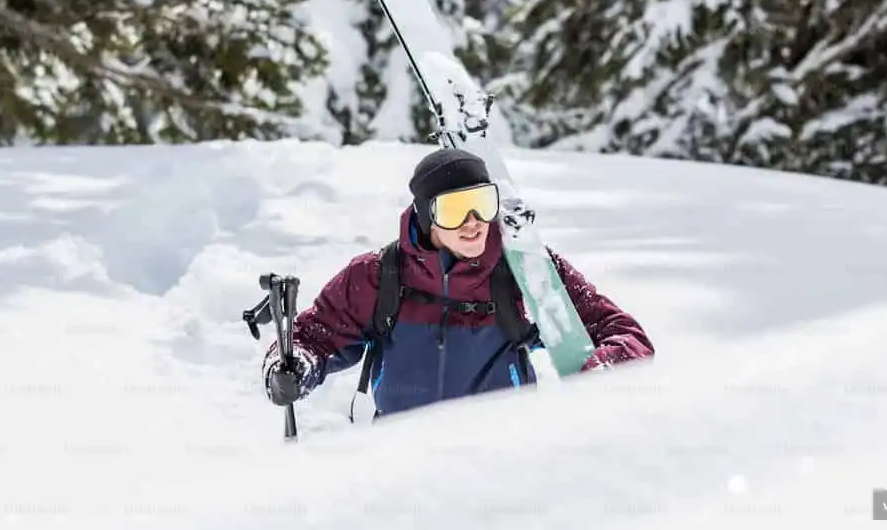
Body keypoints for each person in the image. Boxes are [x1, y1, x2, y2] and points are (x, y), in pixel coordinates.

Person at [261, 148, 654, 418]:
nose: (472, 221)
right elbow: (312, 336)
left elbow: (621, 332)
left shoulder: (525, 270)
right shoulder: (378, 275)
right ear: (426, 217)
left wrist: (604, 368)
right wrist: (293, 368)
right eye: (452, 209)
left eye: (483, 203)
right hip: (396, 457)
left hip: (502, 458)